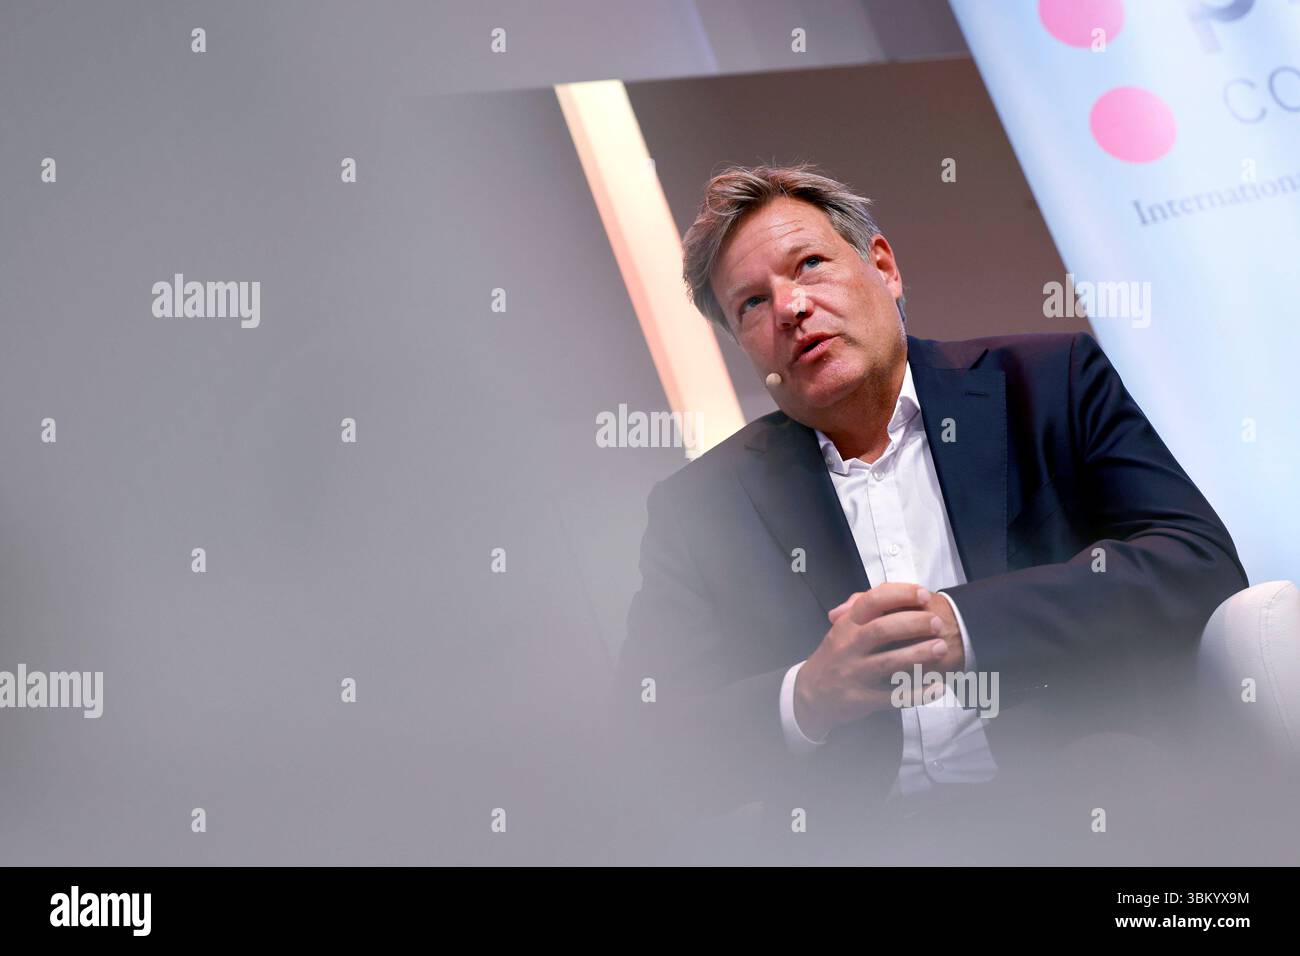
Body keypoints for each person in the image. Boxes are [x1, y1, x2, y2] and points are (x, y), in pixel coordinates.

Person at [612, 164, 1249, 864]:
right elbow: (651, 746)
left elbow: (1198, 564)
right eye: (752, 305)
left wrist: (966, 626)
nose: (790, 307)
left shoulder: (1050, 383)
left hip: (1082, 814)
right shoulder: (704, 506)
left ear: (882, 266)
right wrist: (809, 695)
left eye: (810, 265)